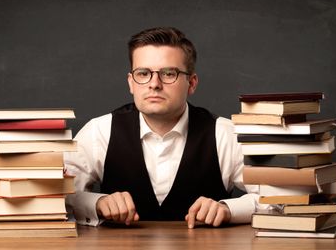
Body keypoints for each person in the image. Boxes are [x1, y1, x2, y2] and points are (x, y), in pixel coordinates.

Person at [64, 27, 259, 228]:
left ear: (191, 83)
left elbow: (277, 199)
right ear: (131, 83)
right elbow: (57, 197)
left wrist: (229, 209)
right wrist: (96, 203)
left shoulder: (225, 134)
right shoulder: (99, 132)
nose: (154, 84)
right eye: (143, 73)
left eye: (168, 73)